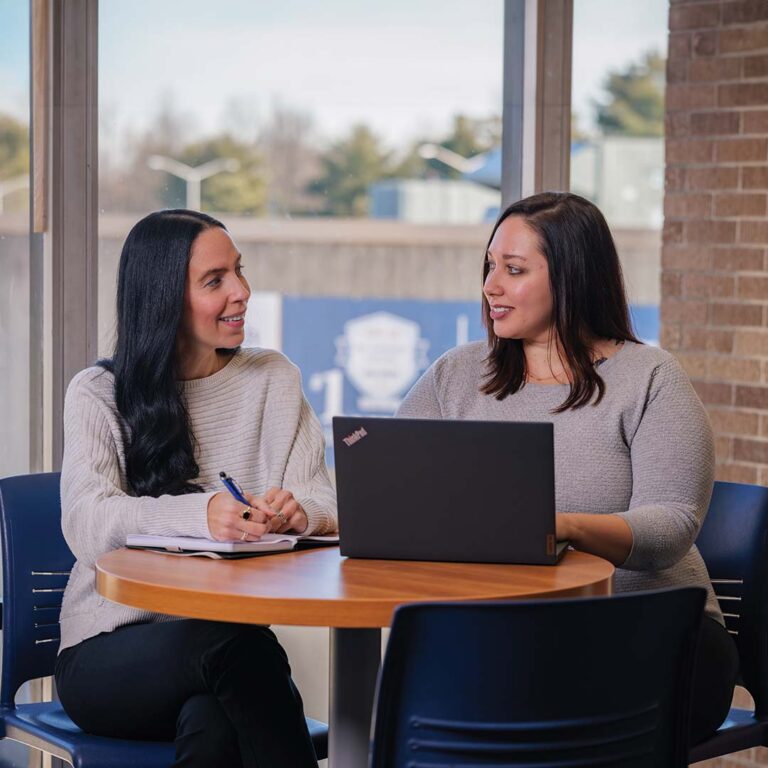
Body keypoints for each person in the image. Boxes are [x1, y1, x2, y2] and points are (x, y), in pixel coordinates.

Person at [397, 191, 738, 744]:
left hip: (655, 639)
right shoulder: (454, 376)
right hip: (505, 636)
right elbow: (393, 492)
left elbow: (671, 529)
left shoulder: (650, 376)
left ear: (572, 277)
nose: (491, 286)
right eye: (489, 266)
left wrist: (563, 525)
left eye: (513, 270)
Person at [55, 209, 337, 767]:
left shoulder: (273, 380)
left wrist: (298, 511)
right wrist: (199, 514)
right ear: (165, 299)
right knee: (239, 645)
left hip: (224, 664)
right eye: (216, 281)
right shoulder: (98, 393)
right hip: (108, 655)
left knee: (213, 724)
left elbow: (326, 501)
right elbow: (85, 524)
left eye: (239, 271)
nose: (242, 292)